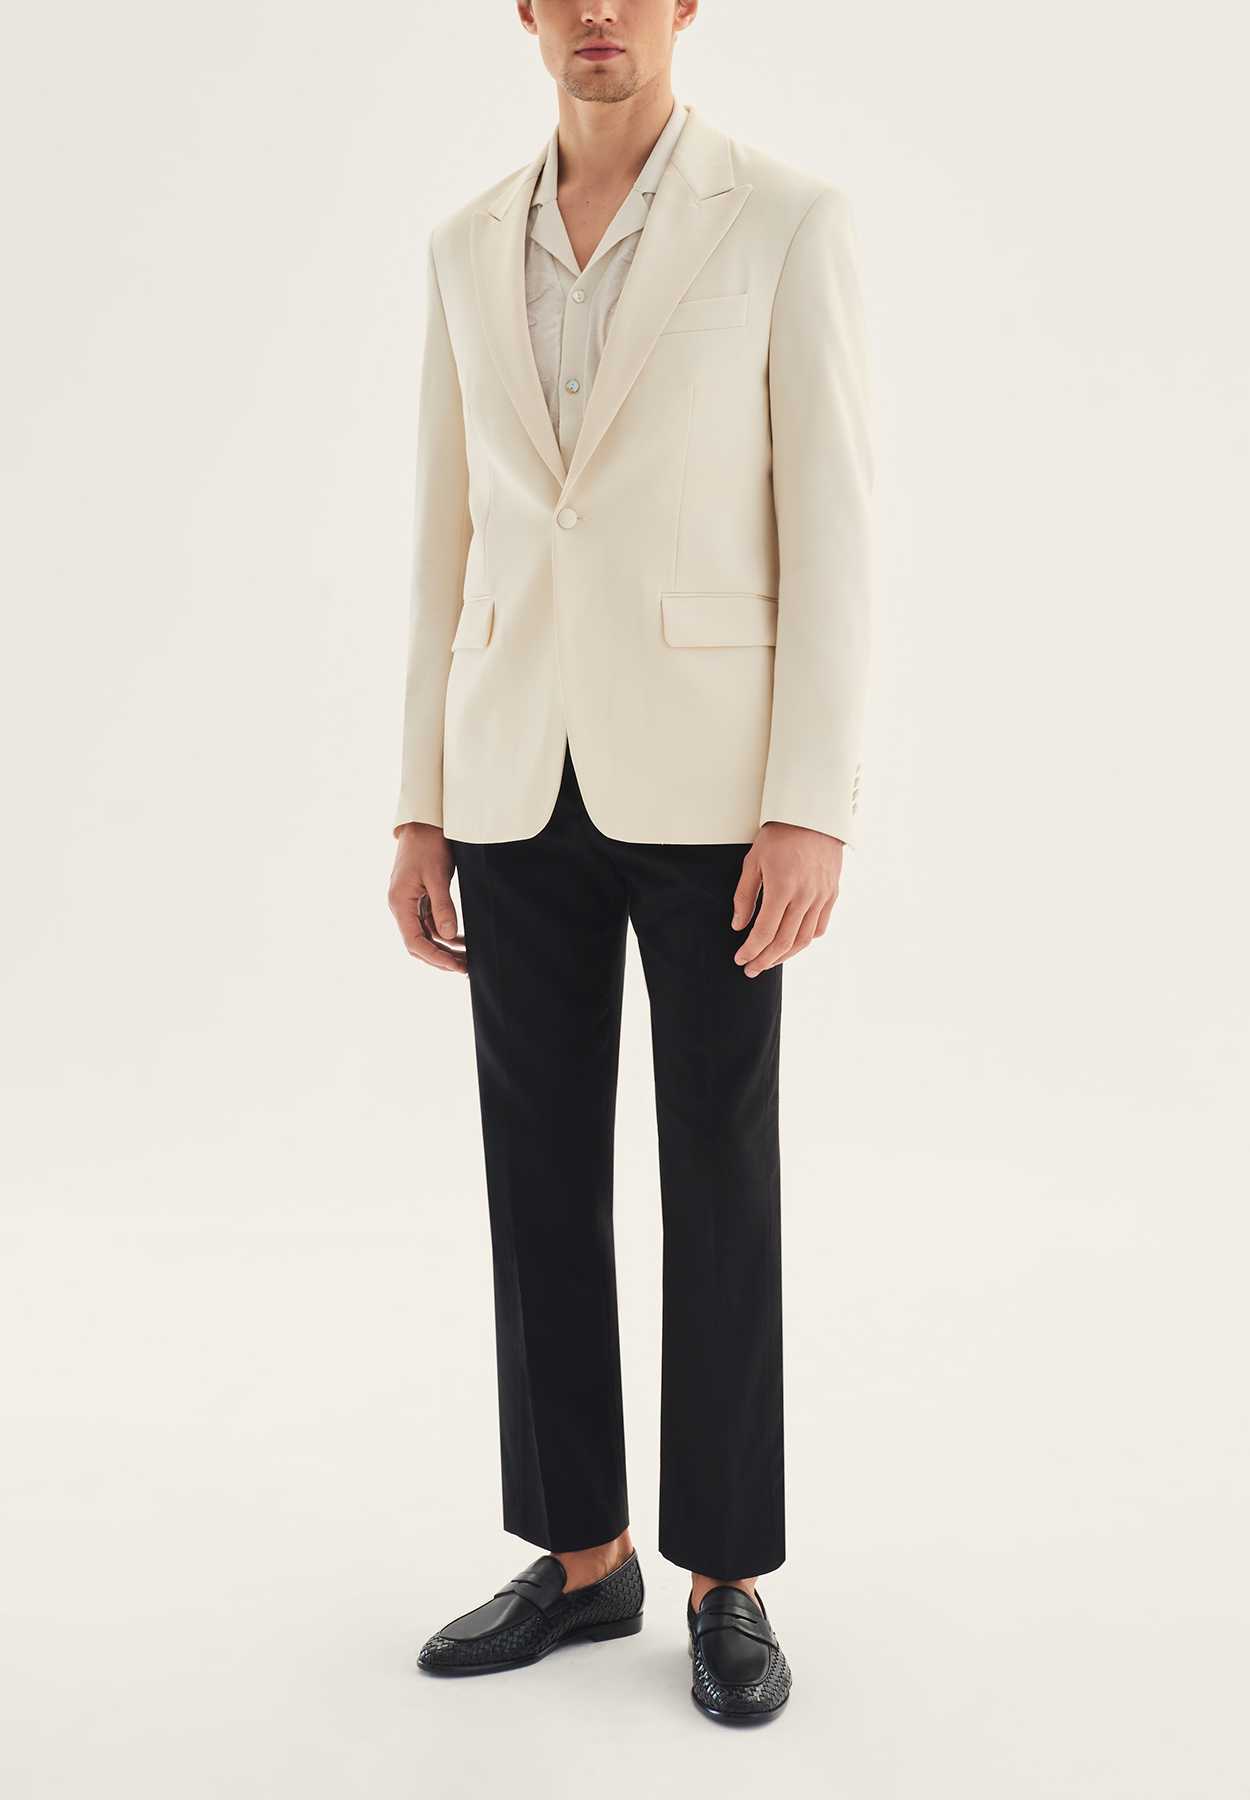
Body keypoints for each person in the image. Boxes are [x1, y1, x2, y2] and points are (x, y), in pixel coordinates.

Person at [387, 0, 873, 1725]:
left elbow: (831, 517)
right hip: (513, 776)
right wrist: (419, 800)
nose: (598, 11)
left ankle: (724, 1572)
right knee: (534, 1174)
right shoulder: (463, 243)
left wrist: (809, 797)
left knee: (716, 1169)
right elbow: (443, 532)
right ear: (524, 12)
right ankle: (580, 1554)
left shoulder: (783, 217)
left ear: (684, 8)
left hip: (714, 787)